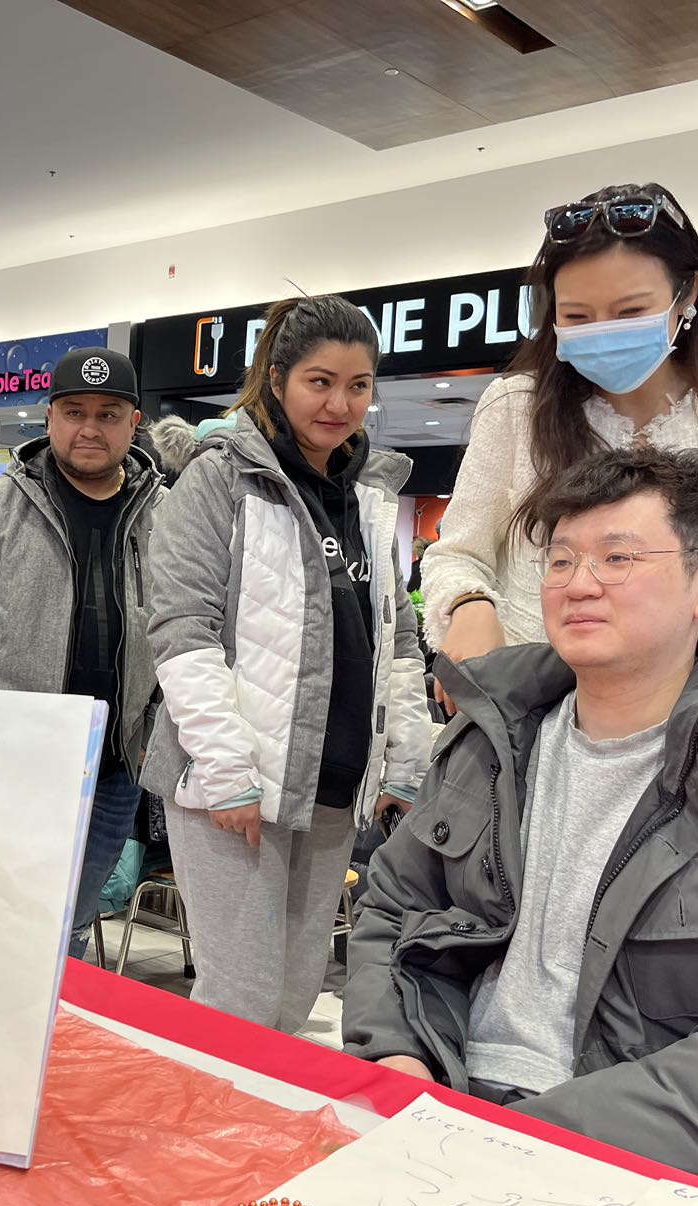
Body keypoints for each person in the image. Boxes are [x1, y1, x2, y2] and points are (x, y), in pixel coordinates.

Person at [343, 446, 698, 1206]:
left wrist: (531, 1140)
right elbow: (392, 907)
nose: (579, 583)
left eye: (618, 557)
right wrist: (396, 1050)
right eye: (560, 561)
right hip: (448, 1101)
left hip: (642, 1157)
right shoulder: (493, 732)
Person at [424, 183, 698, 714]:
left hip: (696, 715)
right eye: (578, 317)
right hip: (529, 707)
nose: (604, 332)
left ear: (689, 294)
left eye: (630, 310)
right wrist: (470, 607)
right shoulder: (517, 405)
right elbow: (459, 552)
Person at [141, 297, 432, 1032]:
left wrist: (406, 759)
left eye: (359, 385)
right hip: (234, 788)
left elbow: (395, 639)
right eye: (320, 381)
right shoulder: (219, 479)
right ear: (276, 379)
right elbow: (182, 630)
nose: (340, 403)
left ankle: (268, 1147)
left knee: (295, 998)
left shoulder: (369, 494)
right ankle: (210, 1145)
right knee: (238, 999)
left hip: (334, 786)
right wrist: (225, 769)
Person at [0, 348, 165, 958]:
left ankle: (54, 1042)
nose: (90, 428)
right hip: (13, 759)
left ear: (133, 424)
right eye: (75, 411)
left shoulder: (165, 512)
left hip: (114, 766)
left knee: (73, 918)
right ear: (49, 417)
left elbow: (187, 628)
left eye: (109, 414)